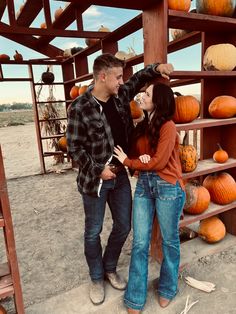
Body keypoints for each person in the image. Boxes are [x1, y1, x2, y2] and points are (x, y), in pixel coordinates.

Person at [66, 53, 174, 305]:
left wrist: (158, 67)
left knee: (124, 225)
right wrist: (96, 169)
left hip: (120, 174)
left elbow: (138, 79)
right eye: (117, 77)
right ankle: (96, 278)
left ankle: (109, 267)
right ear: (102, 77)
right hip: (94, 180)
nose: (121, 81)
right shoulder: (79, 107)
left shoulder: (120, 96)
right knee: (93, 231)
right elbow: (74, 147)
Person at [113, 82, 186, 314]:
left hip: (168, 187)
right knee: (140, 242)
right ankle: (135, 297)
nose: (142, 96)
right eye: (143, 92)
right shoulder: (143, 125)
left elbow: (160, 162)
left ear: (159, 100)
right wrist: (139, 160)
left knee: (169, 241)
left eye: (147, 94)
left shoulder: (168, 126)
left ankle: (167, 287)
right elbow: (139, 155)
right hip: (145, 184)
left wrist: (129, 162)